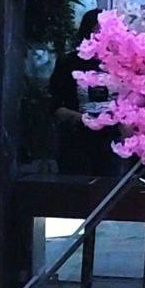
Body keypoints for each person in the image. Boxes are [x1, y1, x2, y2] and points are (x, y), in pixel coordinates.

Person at [48, 10, 122, 176]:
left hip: (111, 143)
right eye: (98, 30)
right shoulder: (69, 62)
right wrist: (79, 118)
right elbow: (55, 105)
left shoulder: (122, 63)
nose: (103, 36)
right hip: (75, 141)